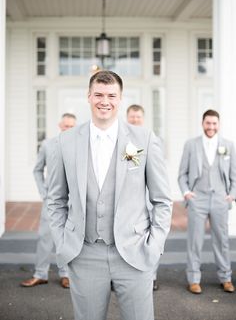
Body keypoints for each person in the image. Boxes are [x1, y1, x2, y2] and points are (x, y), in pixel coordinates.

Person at [47, 70, 172, 320]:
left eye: (112, 95)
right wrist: (63, 241)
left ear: (121, 98)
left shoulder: (144, 139)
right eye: (99, 95)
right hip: (84, 253)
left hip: (135, 253)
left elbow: (162, 200)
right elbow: (55, 199)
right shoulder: (65, 141)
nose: (105, 101)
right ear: (89, 96)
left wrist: (154, 245)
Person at [178, 109, 236, 294]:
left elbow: (234, 175)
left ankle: (226, 277)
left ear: (218, 125)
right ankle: (194, 279)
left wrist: (232, 194)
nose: (211, 127)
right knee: (195, 241)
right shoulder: (191, 144)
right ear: (202, 123)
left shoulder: (229, 145)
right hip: (198, 198)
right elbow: (182, 174)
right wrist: (187, 192)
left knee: (222, 240)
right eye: (208, 123)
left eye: (214, 123)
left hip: (220, 198)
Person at [20, 113, 77, 288]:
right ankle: (40, 274)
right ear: (60, 125)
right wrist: (43, 192)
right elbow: (37, 170)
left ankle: (66, 274)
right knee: (45, 236)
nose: (68, 128)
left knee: (68, 238)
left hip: (73, 201)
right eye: (65, 125)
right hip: (51, 199)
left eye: (71, 126)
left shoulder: (80, 145)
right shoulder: (47, 144)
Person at [127, 104, 159, 291]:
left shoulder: (151, 138)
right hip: (130, 199)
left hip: (148, 196)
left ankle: (152, 276)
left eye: (138, 117)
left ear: (143, 118)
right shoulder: (121, 139)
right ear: (127, 117)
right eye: (132, 117)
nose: (135, 120)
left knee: (150, 238)